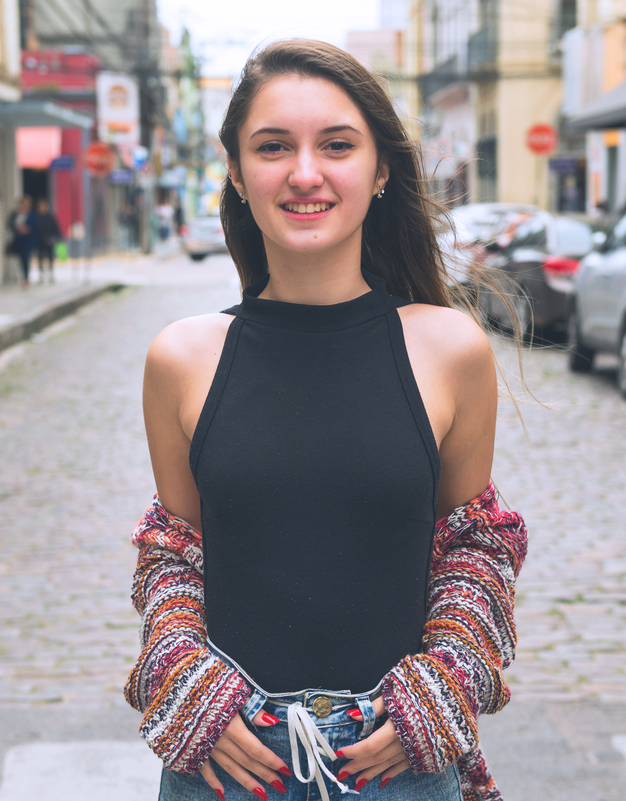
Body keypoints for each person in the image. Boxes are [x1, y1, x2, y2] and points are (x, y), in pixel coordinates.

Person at [126, 40, 528, 801]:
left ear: (379, 171)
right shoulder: (181, 357)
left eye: (337, 145)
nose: (304, 173)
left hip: (402, 761)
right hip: (225, 762)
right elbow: (174, 553)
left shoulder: (449, 349)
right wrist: (182, 669)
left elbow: (476, 542)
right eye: (273, 147)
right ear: (239, 174)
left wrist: (440, 686)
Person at [7, 196, 35, 286]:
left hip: (27, 241)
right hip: (17, 241)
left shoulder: (31, 215)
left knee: (26, 259)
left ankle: (26, 278)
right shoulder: (15, 214)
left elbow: (36, 227)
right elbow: (9, 224)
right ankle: (15, 276)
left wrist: (27, 229)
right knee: (18, 259)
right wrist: (17, 229)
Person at [34, 198, 61, 283]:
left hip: (49, 241)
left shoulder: (50, 217)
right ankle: (41, 275)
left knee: (50, 257)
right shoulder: (36, 217)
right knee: (40, 257)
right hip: (40, 241)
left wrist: (56, 238)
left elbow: (55, 228)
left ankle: (51, 274)